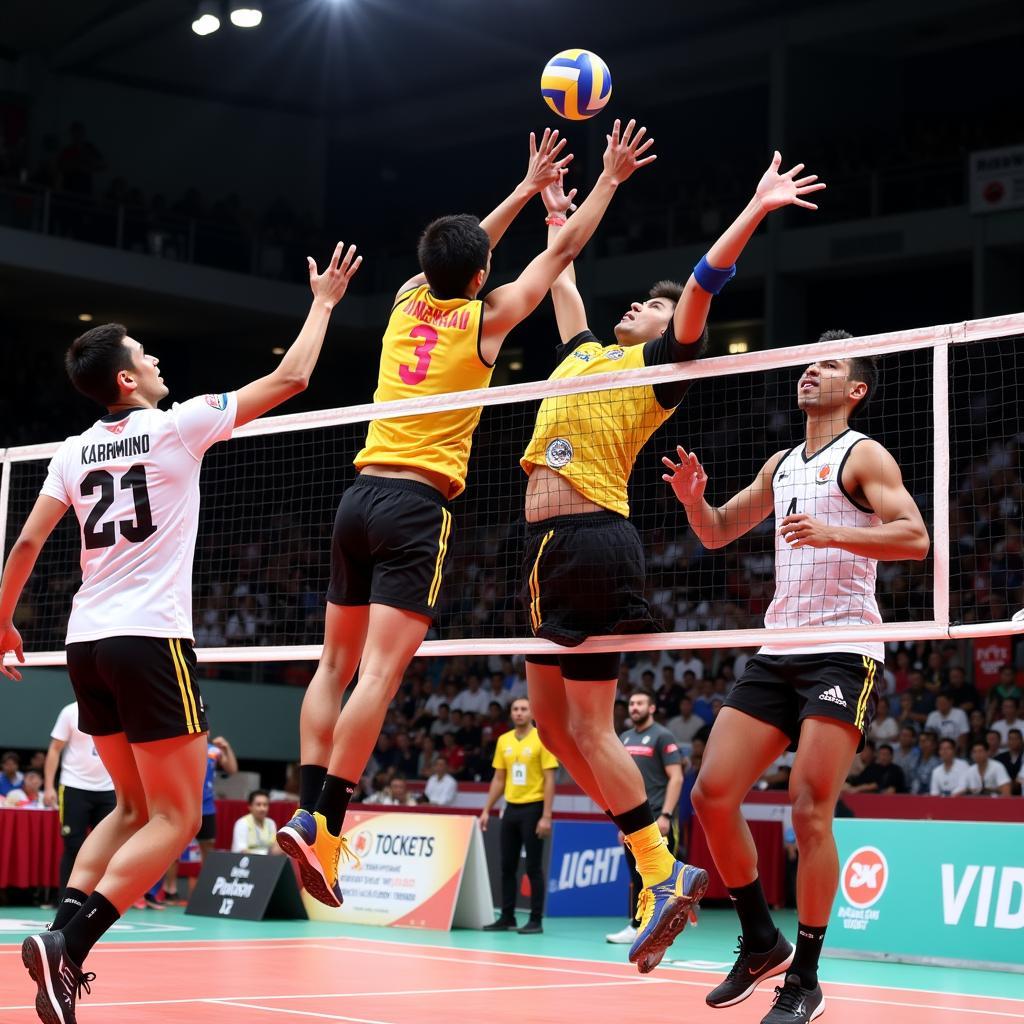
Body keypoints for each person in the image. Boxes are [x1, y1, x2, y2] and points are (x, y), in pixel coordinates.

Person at [279, 121, 654, 909]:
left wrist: (519, 189)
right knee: (379, 677)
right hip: (416, 502)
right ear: (483, 273)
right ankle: (326, 824)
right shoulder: (485, 322)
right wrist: (608, 179)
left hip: (355, 496)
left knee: (332, 669)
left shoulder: (407, 302)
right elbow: (560, 254)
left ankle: (308, 803)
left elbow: (456, 254)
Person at [0, 240, 362, 1021]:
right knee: (178, 817)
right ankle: (74, 942)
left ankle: (59, 945)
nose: (156, 357)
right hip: (150, 640)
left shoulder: (72, 451)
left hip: (85, 644)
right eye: (144, 353)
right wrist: (325, 302)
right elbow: (292, 377)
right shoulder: (176, 425)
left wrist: (2, 624)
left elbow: (26, 545)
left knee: (132, 811)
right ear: (126, 379)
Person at [522, 151, 823, 977]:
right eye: (642, 302)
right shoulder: (582, 355)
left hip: (592, 540)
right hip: (543, 551)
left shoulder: (661, 369)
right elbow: (562, 283)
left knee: (586, 725)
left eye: (653, 307)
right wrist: (556, 209)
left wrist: (755, 208)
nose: (641, 307)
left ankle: (661, 872)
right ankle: (662, 871)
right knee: (551, 725)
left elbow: (702, 284)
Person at [664, 327, 929, 1022]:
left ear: (856, 389)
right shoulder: (782, 462)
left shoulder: (863, 453)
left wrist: (837, 531)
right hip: (778, 648)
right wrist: (695, 501)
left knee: (809, 808)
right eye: (809, 360)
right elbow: (720, 531)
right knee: (712, 795)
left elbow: (915, 537)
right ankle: (759, 940)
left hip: (844, 649)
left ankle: (805, 978)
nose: (812, 370)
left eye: (830, 364)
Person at [606, 690, 684, 946]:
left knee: (660, 875)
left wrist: (666, 814)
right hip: (632, 820)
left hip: (658, 817)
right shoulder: (624, 738)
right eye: (631, 703)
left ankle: (663, 928)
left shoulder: (663, 736)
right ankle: (638, 925)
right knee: (636, 876)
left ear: (651, 708)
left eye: (640, 703)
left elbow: (676, 777)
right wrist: (622, 821)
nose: (634, 707)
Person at [479, 697, 557, 934]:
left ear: (533, 713)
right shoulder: (504, 740)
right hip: (510, 809)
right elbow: (499, 779)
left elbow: (550, 780)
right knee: (507, 865)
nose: (519, 713)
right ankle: (508, 916)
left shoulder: (542, 739)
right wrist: (486, 809)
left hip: (534, 808)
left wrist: (546, 815)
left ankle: (535, 920)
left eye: (524, 709)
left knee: (533, 867)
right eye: (515, 709)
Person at [44, 702, 116, 892]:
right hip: (74, 786)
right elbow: (55, 748)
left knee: (108, 849)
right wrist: (49, 786)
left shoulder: (117, 708)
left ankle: (100, 901)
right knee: (73, 846)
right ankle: (65, 901)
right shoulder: (70, 711)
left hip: (109, 789)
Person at [231, 790, 281, 855]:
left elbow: (275, 848)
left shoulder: (271, 823)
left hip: (268, 861)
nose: (262, 809)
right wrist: (267, 853)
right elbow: (242, 851)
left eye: (265, 805)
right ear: (250, 806)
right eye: (258, 805)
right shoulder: (242, 823)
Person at [996, 728, 1023, 795]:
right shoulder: (999, 758)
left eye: (1016, 739)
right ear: (1008, 741)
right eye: (1011, 739)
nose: (1013, 741)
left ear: (1021, 740)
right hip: (1003, 792)